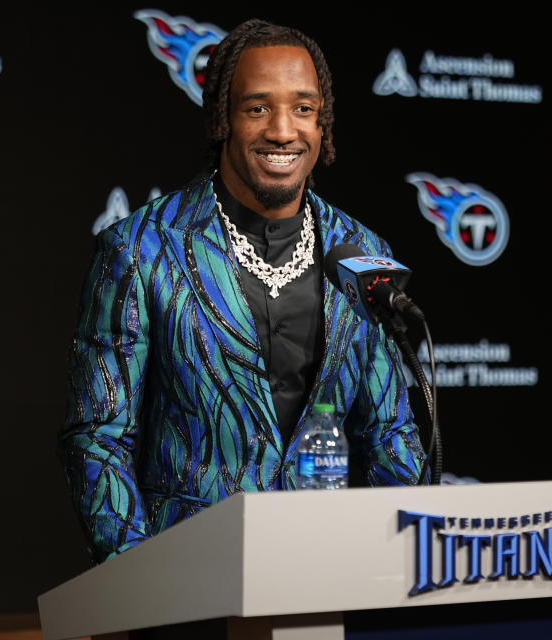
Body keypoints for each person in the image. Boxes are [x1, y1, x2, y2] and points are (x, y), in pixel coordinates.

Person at [59, 19, 427, 563]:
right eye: (258, 108)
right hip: (185, 573)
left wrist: (397, 560)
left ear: (322, 126)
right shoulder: (140, 250)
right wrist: (140, 578)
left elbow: (390, 432)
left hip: (322, 567)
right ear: (222, 121)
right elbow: (98, 437)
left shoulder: (360, 251)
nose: (283, 130)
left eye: (303, 109)